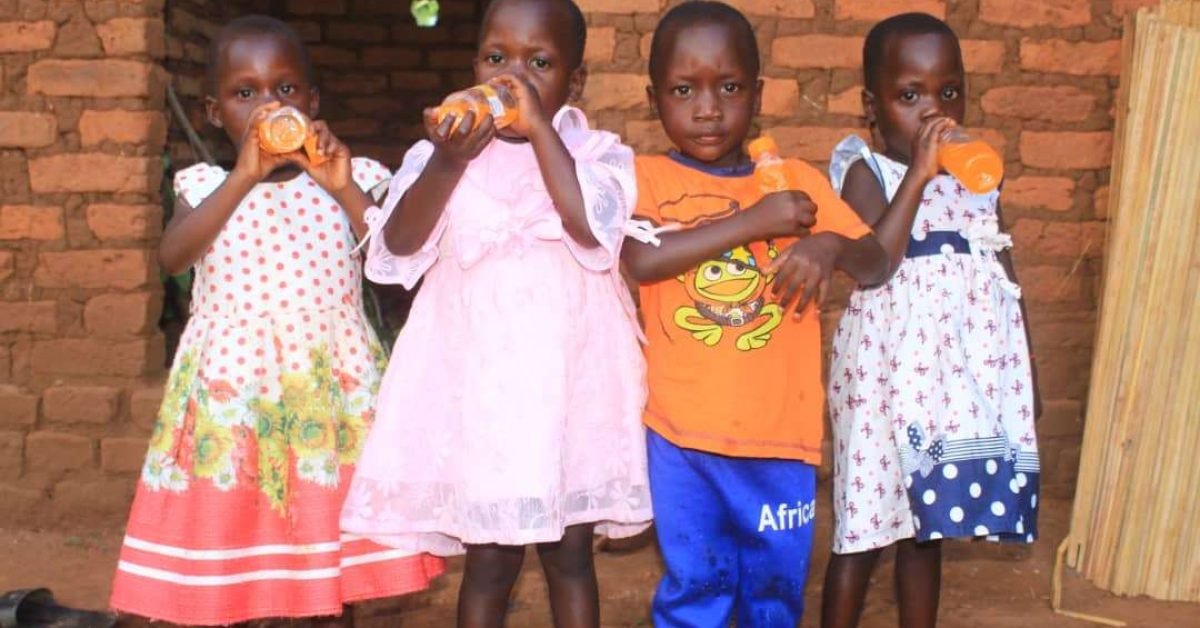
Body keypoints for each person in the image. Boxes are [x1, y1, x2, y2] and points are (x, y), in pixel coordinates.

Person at [109, 15, 443, 627]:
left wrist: (341, 188)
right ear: (214, 112)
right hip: (234, 398)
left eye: (285, 91)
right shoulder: (207, 184)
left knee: (330, 557)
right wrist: (243, 176)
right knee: (235, 541)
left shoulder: (354, 177)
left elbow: (396, 264)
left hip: (328, 398)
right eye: (246, 94)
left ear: (312, 104)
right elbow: (173, 256)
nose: (269, 106)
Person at [338, 1, 652, 626]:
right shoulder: (443, 153)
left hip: (569, 391)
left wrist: (540, 131)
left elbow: (592, 229)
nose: (515, 76)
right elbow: (396, 246)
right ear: (474, 64)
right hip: (481, 395)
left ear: (575, 81)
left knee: (569, 557)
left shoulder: (595, 153)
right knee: (489, 562)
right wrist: (451, 160)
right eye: (496, 57)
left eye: (539, 62)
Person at [621, 2, 889, 625]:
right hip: (681, 438)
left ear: (758, 94)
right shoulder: (643, 180)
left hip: (780, 440)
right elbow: (641, 259)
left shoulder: (795, 181)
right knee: (696, 587)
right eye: (684, 89)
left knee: (772, 594)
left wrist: (826, 243)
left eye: (730, 87)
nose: (708, 108)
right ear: (653, 96)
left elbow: (874, 264)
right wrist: (754, 222)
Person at [820, 13, 1041, 628]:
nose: (933, 111)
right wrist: (919, 171)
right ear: (873, 105)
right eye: (910, 95)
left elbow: (1004, 271)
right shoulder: (865, 169)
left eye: (948, 92)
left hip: (951, 382)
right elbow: (874, 263)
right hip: (880, 382)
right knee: (863, 526)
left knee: (928, 525)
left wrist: (1030, 379)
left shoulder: (979, 179)